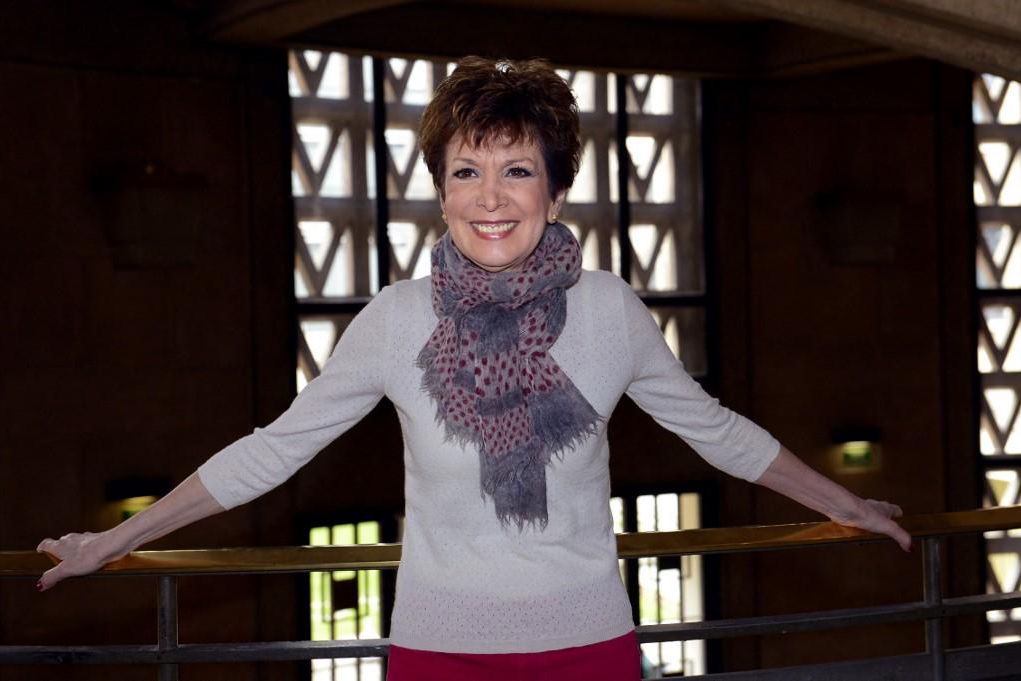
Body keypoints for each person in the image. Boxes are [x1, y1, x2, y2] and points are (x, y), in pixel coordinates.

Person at [37, 57, 911, 680]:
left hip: (587, 646)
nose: (490, 196)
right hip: (437, 650)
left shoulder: (610, 311)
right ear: (443, 191)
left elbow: (716, 432)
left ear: (555, 193)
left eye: (516, 170)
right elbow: (274, 450)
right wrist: (114, 540)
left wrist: (845, 503)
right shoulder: (395, 319)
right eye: (467, 170)